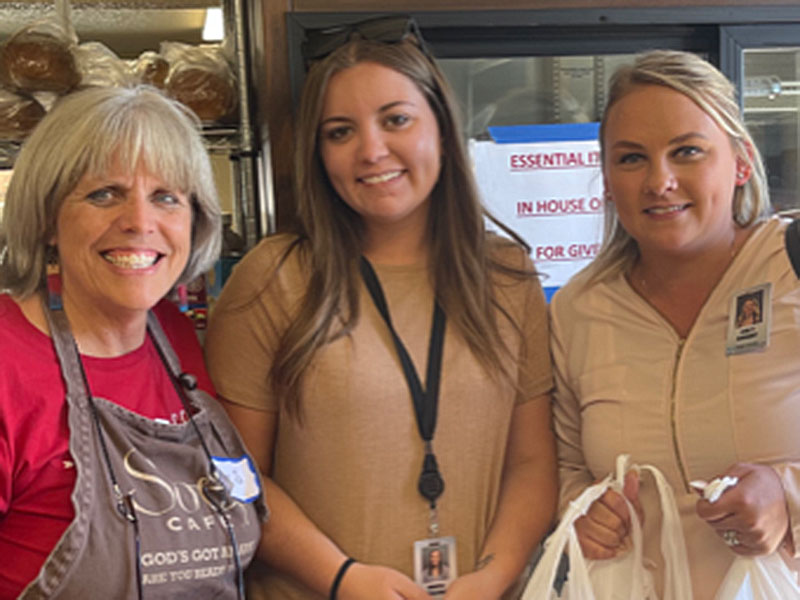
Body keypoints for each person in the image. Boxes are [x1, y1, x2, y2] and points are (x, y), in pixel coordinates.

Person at [205, 15, 557, 600]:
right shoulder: (274, 278)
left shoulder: (507, 275)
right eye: (339, 132)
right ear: (318, 154)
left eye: (396, 120)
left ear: (441, 129)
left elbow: (531, 463)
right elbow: (238, 476)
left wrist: (492, 579)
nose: (371, 150)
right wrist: (342, 579)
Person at [550, 49, 800, 598]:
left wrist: (788, 500)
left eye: (687, 151)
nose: (659, 181)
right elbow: (566, 466)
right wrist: (583, 510)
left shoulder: (790, 269)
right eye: (632, 158)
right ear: (608, 180)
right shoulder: (577, 310)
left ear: (740, 161)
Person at [0, 85, 266, 599]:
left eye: (166, 197)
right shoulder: (7, 360)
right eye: (105, 194)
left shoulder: (178, 338)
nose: (140, 223)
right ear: (49, 219)